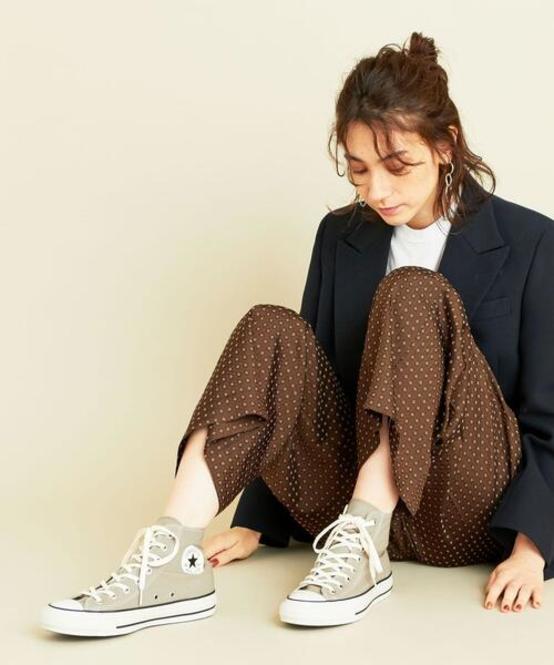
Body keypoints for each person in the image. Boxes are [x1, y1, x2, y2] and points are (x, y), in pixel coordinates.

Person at [40, 31, 554, 637]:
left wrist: (532, 548)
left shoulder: (532, 241)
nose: (377, 190)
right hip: (341, 501)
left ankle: (366, 541)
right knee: (272, 325)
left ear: (446, 145)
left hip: (463, 507)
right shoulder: (341, 236)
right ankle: (170, 555)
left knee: (414, 290)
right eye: (358, 170)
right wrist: (259, 521)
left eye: (398, 166)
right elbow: (301, 383)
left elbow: (548, 416)